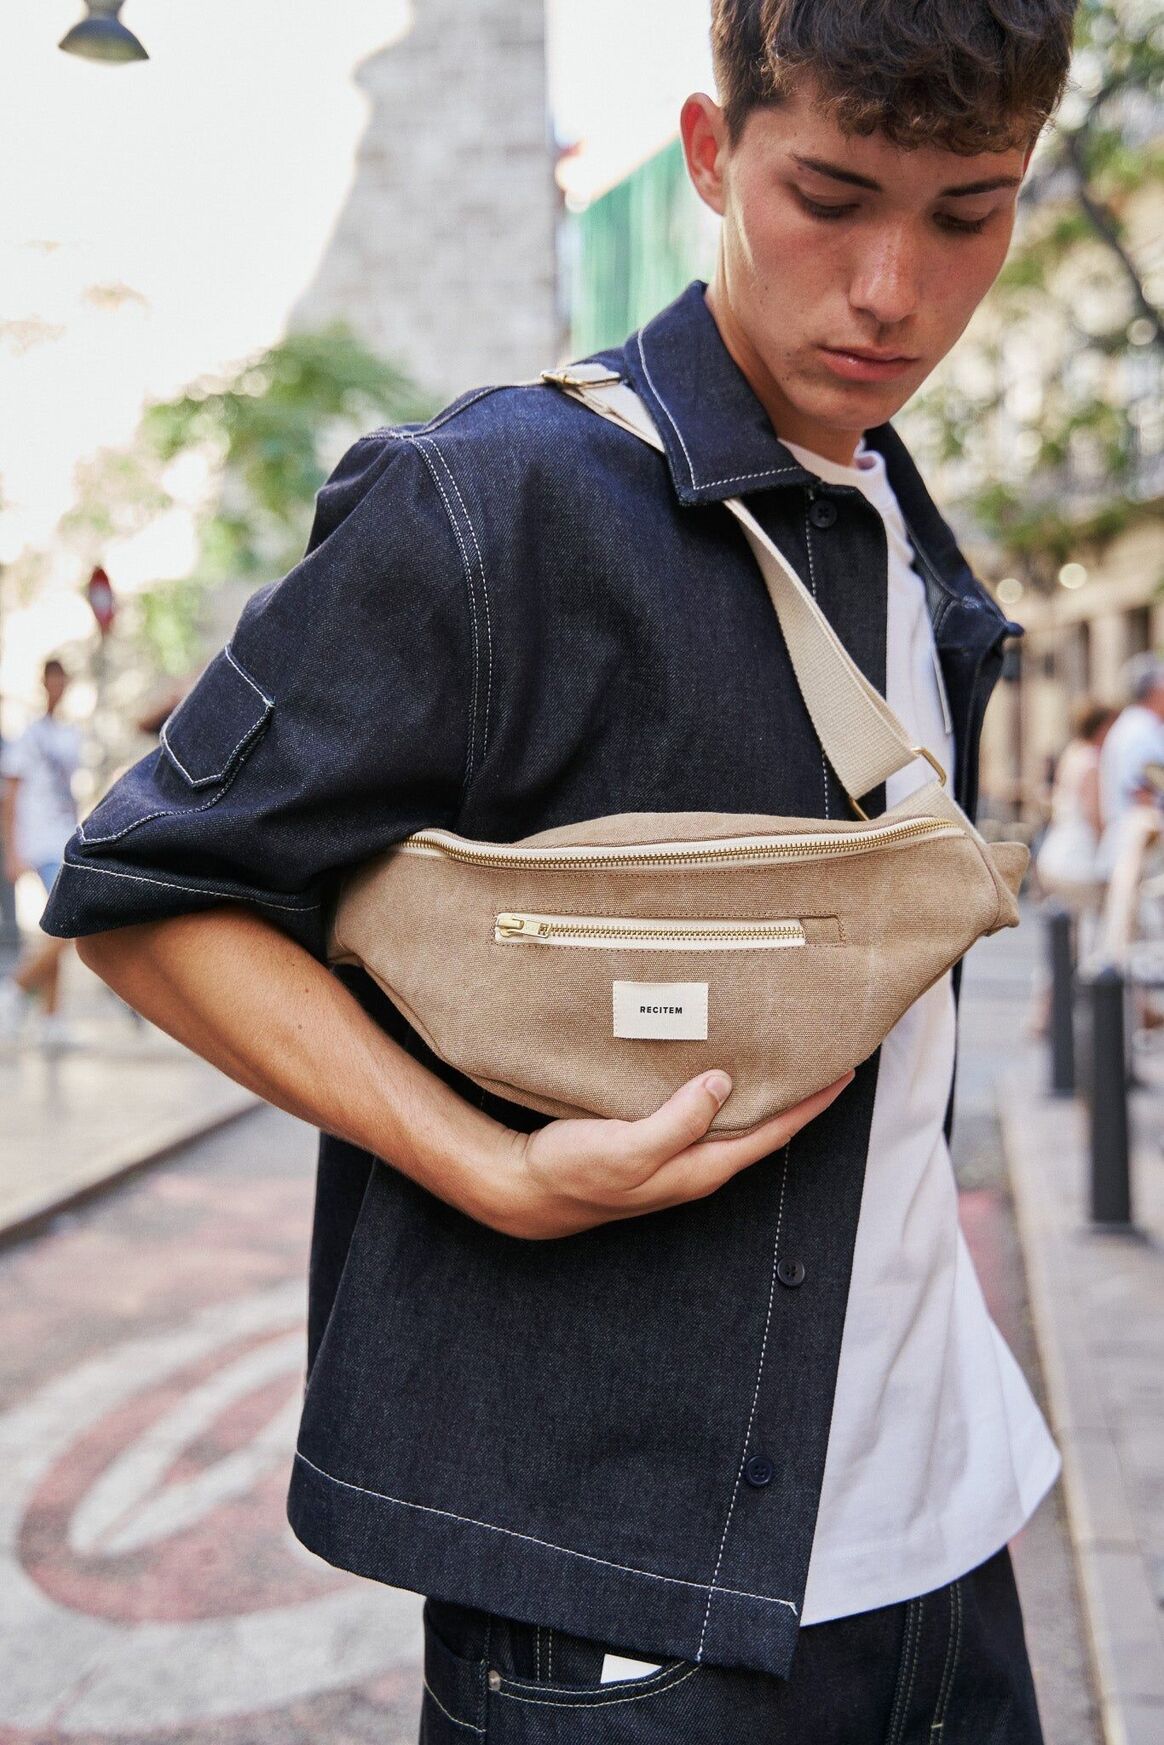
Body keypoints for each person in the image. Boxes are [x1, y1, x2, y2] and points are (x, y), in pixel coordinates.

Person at [41, 2, 1076, 1737]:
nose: (889, 289)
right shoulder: (492, 500)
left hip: (951, 1549)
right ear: (708, 153)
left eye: (964, 214)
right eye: (829, 197)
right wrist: (490, 1168)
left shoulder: (902, 523)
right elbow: (143, 898)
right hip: (621, 1611)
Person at [0, 656, 81, 1048]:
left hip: (65, 839)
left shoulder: (71, 735)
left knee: (56, 929)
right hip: (39, 843)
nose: (57, 687)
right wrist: (12, 852)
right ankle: (13, 991)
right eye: (52, 680)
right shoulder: (28, 737)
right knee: (67, 925)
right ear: (44, 683)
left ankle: (51, 1020)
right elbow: (9, 798)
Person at [1097, 652, 1164, 881]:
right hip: (1139, 849)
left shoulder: (1136, 725)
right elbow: (1144, 791)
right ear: (1155, 691)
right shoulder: (1141, 731)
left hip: (1132, 846)